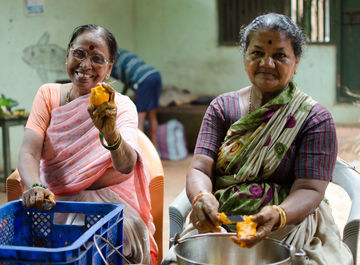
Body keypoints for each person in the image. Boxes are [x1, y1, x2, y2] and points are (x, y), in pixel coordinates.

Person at [163, 13, 353, 264]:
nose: (267, 63)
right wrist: (201, 197)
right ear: (245, 58)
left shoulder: (314, 118)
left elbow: (310, 188)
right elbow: (200, 167)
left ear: (296, 63)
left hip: (292, 227)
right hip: (220, 227)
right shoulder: (222, 108)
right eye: (257, 53)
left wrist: (279, 214)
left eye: (279, 56)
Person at [18, 24, 157, 264]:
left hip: (107, 203)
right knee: (33, 235)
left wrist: (110, 131)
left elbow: (126, 166)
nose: (86, 65)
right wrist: (35, 187)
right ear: (67, 54)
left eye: (97, 59)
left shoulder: (121, 107)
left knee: (118, 235)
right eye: (79, 54)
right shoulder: (48, 95)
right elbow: (29, 151)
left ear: (109, 67)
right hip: (55, 198)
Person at [110, 49, 162, 149]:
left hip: (143, 81)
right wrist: (123, 95)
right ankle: (155, 151)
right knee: (152, 115)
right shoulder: (124, 53)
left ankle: (140, 150)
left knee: (139, 117)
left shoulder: (110, 63)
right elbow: (128, 79)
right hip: (155, 75)